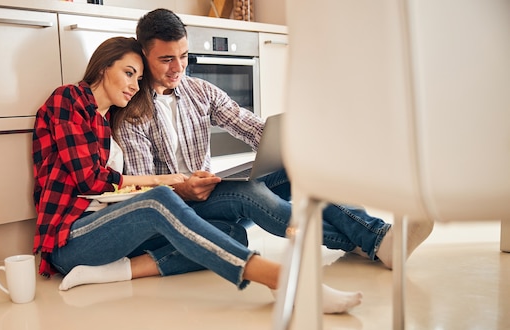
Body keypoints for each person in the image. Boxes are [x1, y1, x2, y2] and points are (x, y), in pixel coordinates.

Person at [32, 36, 363, 314]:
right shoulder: (69, 99)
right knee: (158, 199)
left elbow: (112, 191)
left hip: (109, 231)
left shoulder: (107, 120)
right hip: (69, 238)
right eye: (128, 74)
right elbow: (90, 182)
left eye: (138, 78)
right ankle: (283, 278)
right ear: (104, 67)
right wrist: (166, 180)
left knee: (232, 233)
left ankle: (115, 272)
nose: (134, 85)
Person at [114, 8, 434, 273]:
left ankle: (374, 239)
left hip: (213, 189)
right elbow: (146, 193)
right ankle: (373, 240)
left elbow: (251, 128)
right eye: (166, 59)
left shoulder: (200, 91)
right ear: (144, 55)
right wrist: (181, 186)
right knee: (252, 192)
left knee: (302, 169)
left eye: (183, 56)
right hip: (183, 206)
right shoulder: (131, 110)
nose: (178, 67)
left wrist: (291, 145)